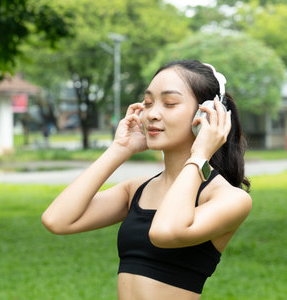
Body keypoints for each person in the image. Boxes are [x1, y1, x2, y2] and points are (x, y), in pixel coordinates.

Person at [41, 60, 252, 300]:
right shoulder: (137, 189)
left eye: (170, 103)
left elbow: (164, 231)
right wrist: (119, 149)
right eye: (148, 102)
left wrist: (200, 154)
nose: (152, 114)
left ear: (208, 113)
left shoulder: (230, 199)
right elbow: (56, 220)